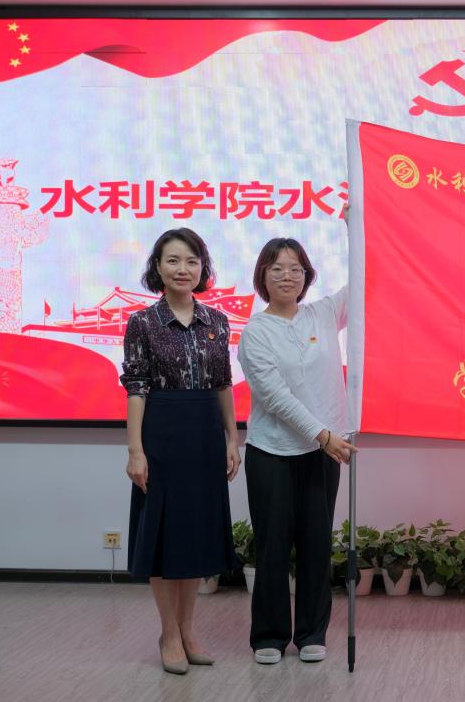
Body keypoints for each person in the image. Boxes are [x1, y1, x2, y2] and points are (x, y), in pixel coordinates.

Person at [121, 227, 240, 675]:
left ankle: (189, 631)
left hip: (205, 435)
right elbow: (136, 388)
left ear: (202, 268)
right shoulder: (143, 322)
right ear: (157, 267)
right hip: (162, 435)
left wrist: (232, 438)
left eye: (191, 261)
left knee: (194, 536)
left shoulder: (217, 321)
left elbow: (223, 383)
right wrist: (135, 450)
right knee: (161, 537)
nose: (182, 269)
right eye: (173, 260)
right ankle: (168, 633)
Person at [237, 238, 356, 665]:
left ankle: (311, 633)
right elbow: (275, 397)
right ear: (262, 277)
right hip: (273, 452)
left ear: (307, 276)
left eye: (295, 269)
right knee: (272, 546)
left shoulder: (323, 313)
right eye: (277, 269)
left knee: (316, 545)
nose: (287, 276)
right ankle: (268, 636)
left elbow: (364, 280)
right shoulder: (256, 331)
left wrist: (355, 223)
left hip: (322, 455)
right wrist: (323, 435)